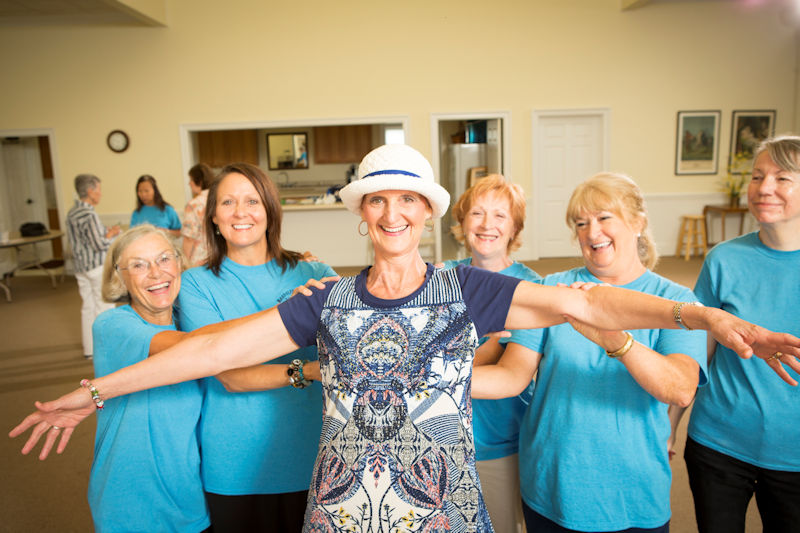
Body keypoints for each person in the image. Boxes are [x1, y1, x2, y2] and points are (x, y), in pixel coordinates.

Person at [11, 145, 800, 533]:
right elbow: (210, 352)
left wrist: (702, 317)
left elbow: (584, 304)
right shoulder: (327, 298)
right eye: (378, 202)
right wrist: (93, 391)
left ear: (427, 213)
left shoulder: (471, 290)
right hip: (346, 508)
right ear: (363, 213)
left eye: (408, 202)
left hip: (440, 507)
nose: (392, 215)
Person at [472, 172, 709, 533]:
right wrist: (419, 381)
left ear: (638, 223)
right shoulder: (552, 288)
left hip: (631, 492)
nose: (591, 232)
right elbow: (510, 376)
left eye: (603, 218)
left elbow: (678, 388)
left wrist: (614, 339)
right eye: (581, 223)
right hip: (550, 486)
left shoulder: (677, 301)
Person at [176, 162, 337, 532]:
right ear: (213, 217)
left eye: (252, 201)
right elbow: (229, 376)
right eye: (228, 202)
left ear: (269, 211)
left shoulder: (315, 274)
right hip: (237, 464)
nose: (240, 212)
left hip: (314, 455)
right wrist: (290, 319)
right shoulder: (195, 285)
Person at [670, 135, 800, 533]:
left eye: (783, 178)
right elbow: (698, 354)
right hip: (718, 444)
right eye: (758, 176)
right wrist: (670, 425)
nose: (765, 188)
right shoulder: (723, 258)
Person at [88, 224, 210, 532]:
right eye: (139, 265)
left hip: (188, 498)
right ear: (120, 277)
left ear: (180, 263)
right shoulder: (113, 326)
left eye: (164, 259)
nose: (156, 273)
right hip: (129, 501)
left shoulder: (191, 320)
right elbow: (201, 348)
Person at [444, 174, 540, 533]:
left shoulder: (530, 288)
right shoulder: (441, 282)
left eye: (500, 216)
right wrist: (487, 344)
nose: (487, 225)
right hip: (442, 438)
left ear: (515, 226)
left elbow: (514, 374)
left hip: (500, 441)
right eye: (477, 214)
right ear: (463, 222)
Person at [65, 174, 121, 359]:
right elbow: (99, 245)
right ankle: (107, 349)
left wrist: (106, 233)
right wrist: (114, 236)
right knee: (105, 306)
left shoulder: (72, 212)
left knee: (87, 307)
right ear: (90, 191)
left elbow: (84, 241)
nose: (100, 194)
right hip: (96, 267)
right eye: (98, 189)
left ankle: (90, 350)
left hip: (81, 267)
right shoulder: (89, 214)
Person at [181, 163, 214, 267]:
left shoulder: (194, 205)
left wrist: (185, 262)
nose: (189, 183)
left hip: (199, 259)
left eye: (191, 179)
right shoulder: (219, 199)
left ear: (199, 181)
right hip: (219, 256)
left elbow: (189, 238)